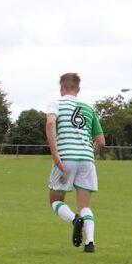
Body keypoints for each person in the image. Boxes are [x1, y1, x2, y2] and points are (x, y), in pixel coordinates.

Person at [46, 72, 105, 253]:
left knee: (55, 200)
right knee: (85, 205)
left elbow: (50, 123)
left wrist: (55, 153)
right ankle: (90, 243)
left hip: (66, 157)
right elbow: (101, 141)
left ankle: (74, 220)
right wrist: (88, 153)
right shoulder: (88, 107)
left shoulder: (56, 103)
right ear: (78, 89)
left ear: (61, 87)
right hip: (87, 159)